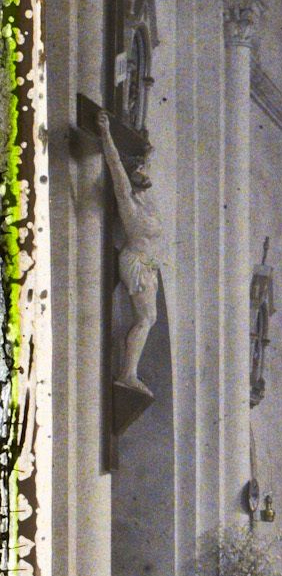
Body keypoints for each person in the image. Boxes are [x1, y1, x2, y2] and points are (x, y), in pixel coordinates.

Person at [97, 110, 164, 394]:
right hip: (135, 259)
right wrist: (105, 133)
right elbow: (114, 164)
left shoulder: (146, 202)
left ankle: (129, 373)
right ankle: (128, 374)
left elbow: (147, 158)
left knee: (150, 318)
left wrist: (146, 149)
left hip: (147, 262)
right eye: (140, 170)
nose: (145, 173)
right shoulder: (129, 203)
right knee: (146, 318)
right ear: (132, 175)